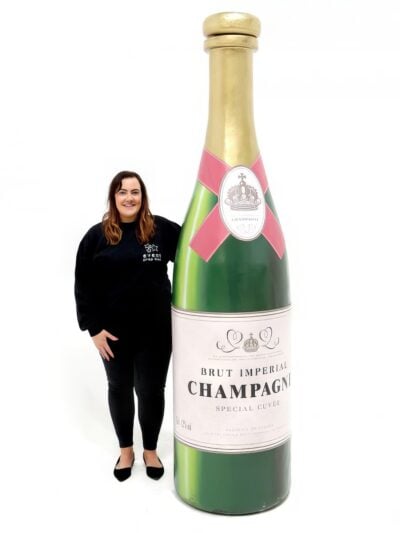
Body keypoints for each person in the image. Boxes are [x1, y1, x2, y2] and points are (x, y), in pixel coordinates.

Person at [74, 170, 181, 482]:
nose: (129, 198)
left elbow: (195, 252)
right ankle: (126, 451)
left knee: (151, 390)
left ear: (143, 196)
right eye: (122, 192)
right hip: (113, 334)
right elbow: (83, 285)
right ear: (113, 197)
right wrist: (93, 329)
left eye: (135, 192)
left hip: (156, 332)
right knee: (119, 388)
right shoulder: (96, 237)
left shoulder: (160, 230)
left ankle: (150, 450)